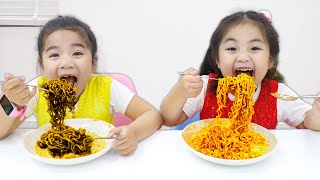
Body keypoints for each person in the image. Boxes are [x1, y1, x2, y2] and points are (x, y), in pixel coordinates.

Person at [0, 15, 163, 156]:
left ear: (93, 63)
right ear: (42, 66)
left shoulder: (105, 87)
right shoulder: (36, 89)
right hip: (52, 163)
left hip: (101, 162)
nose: (66, 63)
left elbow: (153, 115)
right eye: (54, 55)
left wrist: (133, 133)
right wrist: (11, 101)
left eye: (77, 53)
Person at [160, 10, 320, 130]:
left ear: (270, 59)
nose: (243, 56)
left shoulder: (278, 95)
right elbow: (169, 119)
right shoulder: (205, 87)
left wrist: (317, 111)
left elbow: (308, 122)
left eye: (255, 48)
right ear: (217, 59)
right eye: (231, 48)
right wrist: (180, 91)